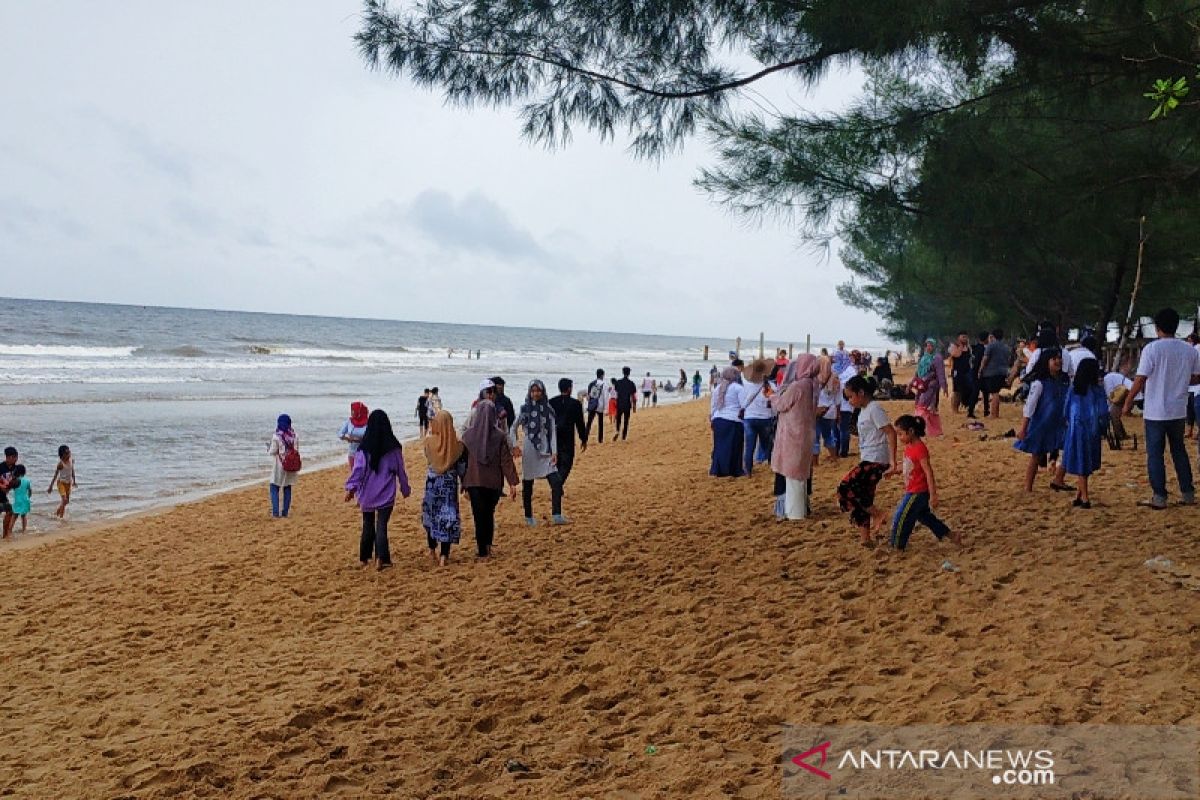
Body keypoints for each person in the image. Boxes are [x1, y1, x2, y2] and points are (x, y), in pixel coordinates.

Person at [1117, 307, 1200, 508]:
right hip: (1178, 409)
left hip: (1155, 411)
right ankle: (1188, 493)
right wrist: (1179, 380)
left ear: (1157, 327)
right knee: (1179, 451)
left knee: (1155, 454)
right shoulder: (1189, 350)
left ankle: (1160, 496)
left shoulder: (1152, 349)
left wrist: (1127, 403)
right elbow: (1197, 376)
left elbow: (1140, 379)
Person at [345, 409, 411, 571]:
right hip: (386, 493)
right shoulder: (394, 448)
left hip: (367, 494)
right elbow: (400, 470)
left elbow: (358, 471)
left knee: (368, 524)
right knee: (381, 525)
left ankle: (365, 559)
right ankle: (381, 559)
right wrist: (405, 487)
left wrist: (351, 489)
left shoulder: (363, 449)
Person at [837, 375, 898, 547]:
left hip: (876, 459)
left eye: (851, 396)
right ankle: (865, 538)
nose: (849, 401)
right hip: (867, 457)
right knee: (863, 497)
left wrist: (893, 462)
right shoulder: (863, 411)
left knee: (846, 487)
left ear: (861, 393)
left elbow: (890, 432)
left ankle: (878, 514)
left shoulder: (874, 409)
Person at [462, 382, 520, 558]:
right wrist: (512, 483)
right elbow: (506, 461)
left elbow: (462, 462)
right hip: (493, 483)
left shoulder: (467, 436)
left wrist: (462, 483)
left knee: (479, 515)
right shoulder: (500, 436)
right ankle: (487, 544)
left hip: (474, 482)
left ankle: (482, 548)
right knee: (489, 514)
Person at [889, 415, 960, 550]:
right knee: (925, 517)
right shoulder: (909, 446)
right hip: (913, 489)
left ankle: (897, 545)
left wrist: (933, 495)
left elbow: (928, 471)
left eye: (900, 434)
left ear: (911, 431)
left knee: (902, 517)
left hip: (918, 491)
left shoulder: (920, 448)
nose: (899, 438)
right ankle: (951, 535)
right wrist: (894, 471)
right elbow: (909, 466)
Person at [770, 355, 821, 519]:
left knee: (792, 475)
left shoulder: (798, 386)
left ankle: (794, 513)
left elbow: (781, 405)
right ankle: (800, 510)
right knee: (801, 474)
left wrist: (772, 395)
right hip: (805, 432)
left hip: (793, 434)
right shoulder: (813, 384)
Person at [1014, 347, 1069, 493]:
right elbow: (1030, 406)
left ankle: (1059, 479)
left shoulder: (1064, 382)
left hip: (1060, 424)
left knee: (1069, 450)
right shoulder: (1039, 383)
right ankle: (1028, 487)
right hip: (1041, 424)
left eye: (1059, 358)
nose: (1058, 361)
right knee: (1036, 455)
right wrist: (1024, 428)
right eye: (1054, 359)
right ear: (1046, 362)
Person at [422, 409, 467, 567]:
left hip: (432, 484)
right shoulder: (459, 447)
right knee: (448, 517)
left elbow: (428, 458)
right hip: (449, 486)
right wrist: (464, 486)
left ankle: (432, 549)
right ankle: (444, 555)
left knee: (431, 516)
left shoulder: (429, 442)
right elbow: (462, 469)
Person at [514, 379, 563, 525]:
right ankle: (528, 517)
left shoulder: (548, 409)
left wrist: (555, 451)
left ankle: (557, 515)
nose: (535, 394)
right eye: (533, 391)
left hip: (546, 450)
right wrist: (515, 445)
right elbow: (513, 427)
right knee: (528, 484)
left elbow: (553, 431)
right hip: (529, 450)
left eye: (538, 391)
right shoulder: (525, 409)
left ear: (542, 392)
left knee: (556, 481)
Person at [1061, 358, 1108, 509]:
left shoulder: (1074, 389)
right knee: (1086, 463)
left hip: (1075, 430)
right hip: (1092, 431)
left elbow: (1066, 411)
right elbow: (1103, 411)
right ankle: (1083, 497)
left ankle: (1082, 496)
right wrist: (1104, 428)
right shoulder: (1097, 390)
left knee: (1080, 462)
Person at [549, 377, 587, 521]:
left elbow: (547, 421)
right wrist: (584, 439)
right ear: (570, 388)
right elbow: (580, 423)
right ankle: (557, 485)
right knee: (567, 463)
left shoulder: (552, 402)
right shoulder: (576, 404)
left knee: (557, 464)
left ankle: (557, 485)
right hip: (568, 438)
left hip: (554, 438)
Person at [740, 358, 775, 476]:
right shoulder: (770, 386)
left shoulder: (747, 386)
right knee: (768, 444)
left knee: (749, 446)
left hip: (750, 417)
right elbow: (774, 402)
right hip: (765, 418)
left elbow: (743, 401)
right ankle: (770, 464)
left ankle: (748, 470)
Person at [709, 366, 745, 477]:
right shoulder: (738, 388)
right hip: (733, 420)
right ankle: (733, 470)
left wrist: (712, 419)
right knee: (734, 446)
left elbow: (713, 406)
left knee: (719, 446)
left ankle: (717, 469)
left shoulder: (718, 388)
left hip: (718, 419)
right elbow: (743, 405)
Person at [912, 338, 948, 437]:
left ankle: (927, 429)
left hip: (931, 386)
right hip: (921, 386)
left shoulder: (937, 358)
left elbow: (941, 373)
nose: (929, 347)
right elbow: (917, 372)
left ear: (934, 346)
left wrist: (944, 386)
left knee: (925, 407)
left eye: (931, 345)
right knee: (923, 407)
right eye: (927, 345)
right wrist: (911, 384)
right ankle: (931, 430)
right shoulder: (923, 358)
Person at [267, 415, 299, 518]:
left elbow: (272, 451)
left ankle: (276, 512)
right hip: (291, 464)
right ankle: (285, 512)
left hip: (280, 465)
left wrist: (269, 448)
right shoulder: (294, 435)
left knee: (274, 487)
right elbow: (296, 450)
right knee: (287, 487)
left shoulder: (276, 436)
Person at [977, 329, 1012, 419]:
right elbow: (1008, 359)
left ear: (993, 336)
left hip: (992, 372)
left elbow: (985, 359)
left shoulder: (991, 346)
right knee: (996, 391)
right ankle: (995, 413)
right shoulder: (1006, 347)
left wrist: (981, 369)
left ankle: (993, 414)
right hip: (1003, 372)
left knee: (994, 393)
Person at [815, 357, 841, 462]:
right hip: (830, 410)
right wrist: (838, 414)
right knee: (828, 435)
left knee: (815, 436)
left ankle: (815, 461)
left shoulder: (815, 378)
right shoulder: (836, 378)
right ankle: (834, 457)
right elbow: (838, 400)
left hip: (816, 410)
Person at [949, 331, 975, 417]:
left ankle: (965, 404)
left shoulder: (968, 347)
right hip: (957, 371)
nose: (965, 338)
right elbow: (956, 355)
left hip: (967, 371)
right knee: (956, 391)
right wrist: (960, 346)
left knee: (967, 389)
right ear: (958, 338)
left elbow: (971, 358)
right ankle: (954, 409)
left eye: (966, 337)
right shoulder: (954, 346)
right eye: (963, 337)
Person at [836, 355, 858, 456]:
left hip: (836, 404)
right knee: (844, 429)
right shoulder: (851, 371)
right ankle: (843, 451)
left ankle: (838, 450)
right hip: (847, 405)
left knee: (837, 428)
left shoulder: (835, 370)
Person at [47, 444, 76, 520]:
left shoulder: (71, 460)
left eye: (69, 452)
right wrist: (51, 486)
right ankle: (61, 518)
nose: (69, 454)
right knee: (64, 500)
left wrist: (74, 481)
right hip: (61, 483)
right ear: (62, 455)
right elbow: (55, 475)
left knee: (66, 502)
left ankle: (56, 514)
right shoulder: (60, 464)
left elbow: (72, 470)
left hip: (68, 483)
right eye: (67, 453)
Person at [339, 402, 369, 467]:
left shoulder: (368, 423)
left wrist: (359, 440)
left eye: (353, 410)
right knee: (354, 474)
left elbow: (372, 437)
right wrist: (347, 438)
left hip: (365, 453)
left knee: (362, 474)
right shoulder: (349, 421)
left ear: (359, 411)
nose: (352, 412)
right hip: (352, 453)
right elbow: (340, 434)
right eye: (351, 410)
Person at [612, 367, 638, 441]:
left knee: (618, 419)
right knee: (626, 421)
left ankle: (617, 430)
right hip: (627, 404)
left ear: (623, 372)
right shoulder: (631, 383)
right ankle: (623, 437)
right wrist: (634, 406)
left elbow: (616, 393)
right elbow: (633, 396)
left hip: (619, 403)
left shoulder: (618, 382)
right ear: (629, 373)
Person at [584, 369, 607, 444]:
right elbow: (605, 397)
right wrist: (605, 408)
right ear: (602, 375)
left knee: (589, 423)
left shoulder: (591, 383)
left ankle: (585, 438)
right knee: (600, 423)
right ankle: (600, 440)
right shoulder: (604, 384)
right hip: (600, 405)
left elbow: (588, 396)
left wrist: (590, 404)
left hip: (592, 405)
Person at [970, 331, 989, 416]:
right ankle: (973, 411)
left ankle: (974, 411)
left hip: (975, 372)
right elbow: (978, 361)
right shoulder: (982, 349)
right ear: (986, 339)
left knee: (978, 392)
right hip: (980, 373)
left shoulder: (976, 347)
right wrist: (979, 371)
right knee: (981, 392)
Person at [0, 447, 16, 539]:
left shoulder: (14, 468)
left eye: (16, 457)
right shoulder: (1, 467)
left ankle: (5, 534)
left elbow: (14, 480)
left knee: (10, 511)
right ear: (8, 457)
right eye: (14, 457)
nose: (16, 459)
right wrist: (2, 486)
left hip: (3, 496)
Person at [10, 465, 30, 533]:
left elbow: (11, 487)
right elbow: (30, 491)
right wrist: (29, 497)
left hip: (18, 501)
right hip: (25, 500)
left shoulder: (15, 481)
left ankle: (10, 530)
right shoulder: (27, 481)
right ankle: (24, 530)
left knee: (14, 516)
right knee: (23, 516)